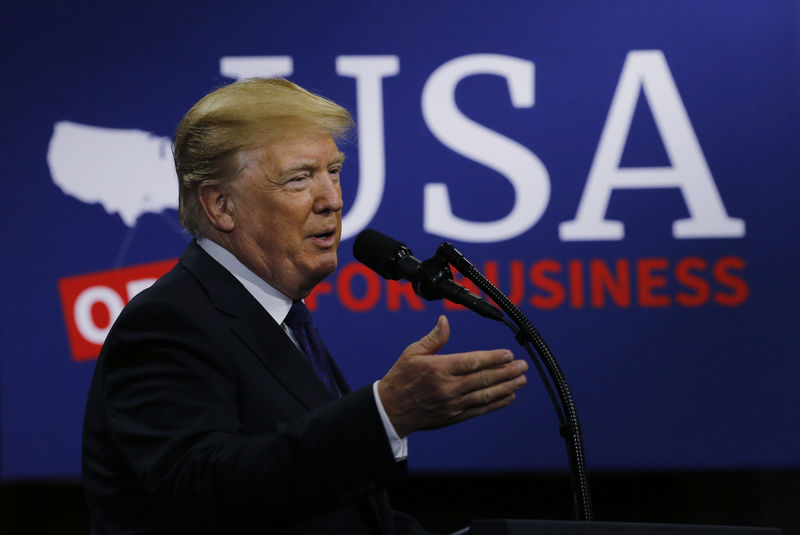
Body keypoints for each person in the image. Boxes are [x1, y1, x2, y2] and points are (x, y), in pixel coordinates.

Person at [82, 78, 528, 534]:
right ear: (220, 205)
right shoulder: (169, 321)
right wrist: (384, 414)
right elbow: (201, 492)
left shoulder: (282, 320)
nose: (332, 200)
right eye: (299, 179)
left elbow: (329, 515)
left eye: (333, 171)